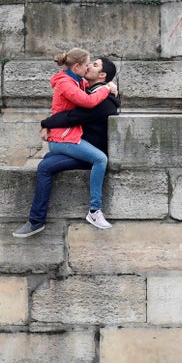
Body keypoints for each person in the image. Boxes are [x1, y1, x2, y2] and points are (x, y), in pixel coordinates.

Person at [13, 50, 117, 236]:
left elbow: (72, 116)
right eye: (89, 63)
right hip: (79, 147)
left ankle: (94, 210)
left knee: (99, 159)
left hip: (91, 154)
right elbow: (71, 113)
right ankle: (36, 221)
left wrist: (46, 123)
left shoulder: (102, 99)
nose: (89, 66)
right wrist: (46, 124)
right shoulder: (84, 86)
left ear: (102, 75)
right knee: (45, 166)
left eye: (94, 65)